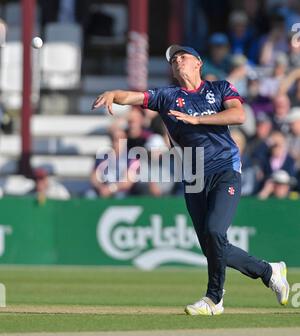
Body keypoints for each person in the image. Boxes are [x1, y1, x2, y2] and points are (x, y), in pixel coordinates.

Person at [92, 45, 289, 316]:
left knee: (215, 233)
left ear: (198, 63)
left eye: (182, 57)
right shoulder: (168, 96)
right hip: (193, 175)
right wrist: (115, 94)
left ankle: (213, 299)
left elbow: (238, 115)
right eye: (173, 60)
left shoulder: (219, 88)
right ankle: (269, 271)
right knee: (212, 247)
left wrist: (198, 122)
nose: (176, 61)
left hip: (225, 169)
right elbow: (135, 97)